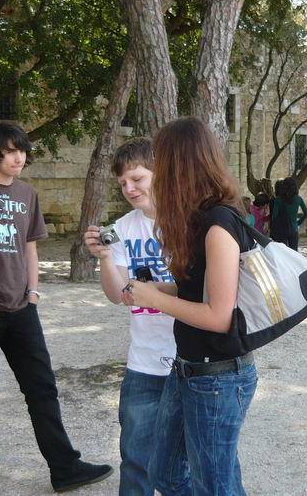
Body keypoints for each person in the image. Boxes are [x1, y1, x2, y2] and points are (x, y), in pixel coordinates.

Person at [0, 122, 113, 494]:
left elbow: (30, 248)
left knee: (42, 388)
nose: (18, 157)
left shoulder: (27, 193)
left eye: (22, 150)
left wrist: (33, 293)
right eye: (10, 150)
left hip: (21, 309)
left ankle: (64, 468)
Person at [123, 116, 257, 495]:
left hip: (217, 378)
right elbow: (199, 290)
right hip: (188, 369)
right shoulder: (197, 220)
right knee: (165, 474)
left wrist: (155, 300)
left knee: (213, 487)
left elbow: (219, 316)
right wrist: (160, 289)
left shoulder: (219, 224)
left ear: (177, 164)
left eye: (160, 161)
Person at [83, 137, 182, 495]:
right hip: (144, 362)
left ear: (160, 173)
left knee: (184, 465)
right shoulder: (122, 228)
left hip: (191, 361)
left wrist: (153, 291)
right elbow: (117, 295)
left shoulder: (191, 221)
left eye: (137, 178)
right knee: (136, 458)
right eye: (123, 182)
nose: (129, 188)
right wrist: (106, 258)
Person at [270, 176, 307, 250]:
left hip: (282, 229)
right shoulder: (298, 199)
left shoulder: (278, 199)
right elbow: (306, 213)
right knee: (294, 252)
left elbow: (274, 216)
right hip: (294, 229)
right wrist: (298, 223)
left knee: (283, 251)